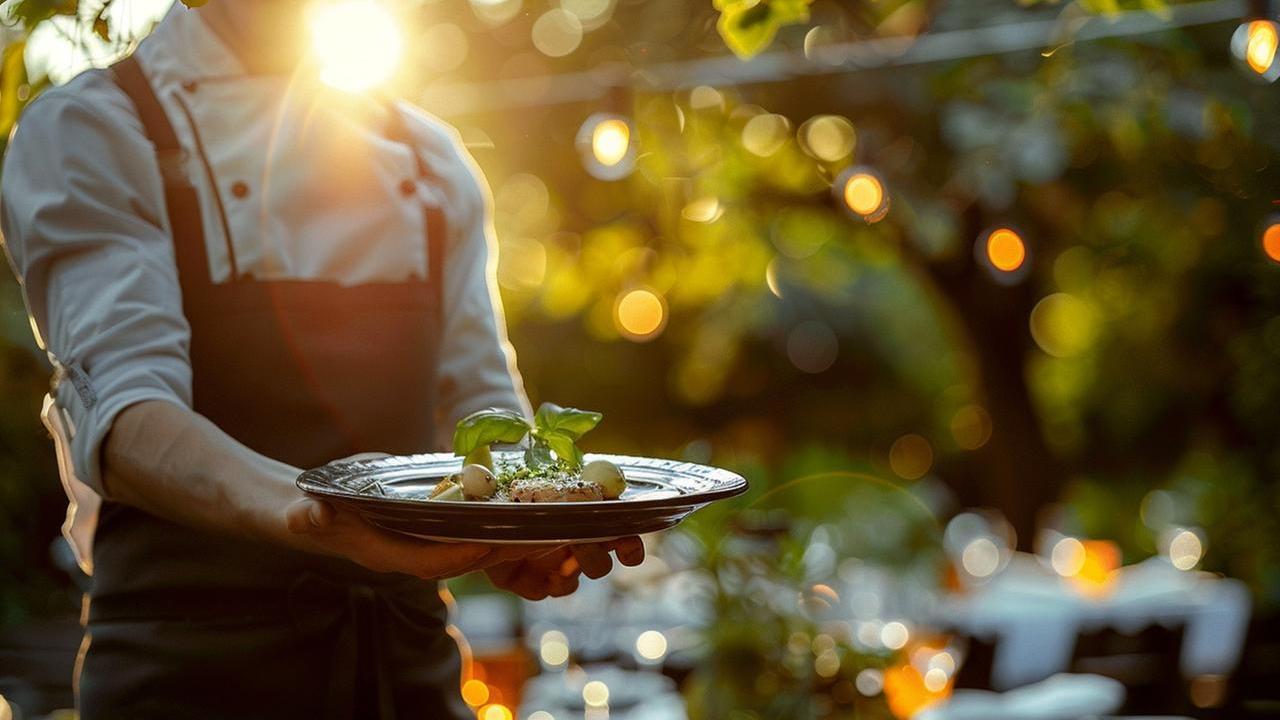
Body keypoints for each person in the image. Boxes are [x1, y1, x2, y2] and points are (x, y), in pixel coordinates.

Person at [0, 1, 644, 717]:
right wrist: (315, 517)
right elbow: (123, 420)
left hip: (407, 675)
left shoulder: (432, 161)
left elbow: (481, 407)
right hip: (185, 683)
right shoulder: (97, 128)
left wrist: (530, 523)